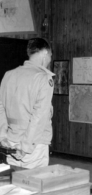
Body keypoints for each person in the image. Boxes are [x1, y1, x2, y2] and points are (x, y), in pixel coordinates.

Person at [0, 38, 54, 169]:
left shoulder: (8, 75)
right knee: (34, 185)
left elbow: (1, 108)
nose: (50, 60)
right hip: (33, 143)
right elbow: (39, 117)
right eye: (50, 56)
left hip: (11, 140)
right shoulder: (43, 78)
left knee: (15, 184)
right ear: (45, 53)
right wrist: (26, 146)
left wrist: (2, 136)